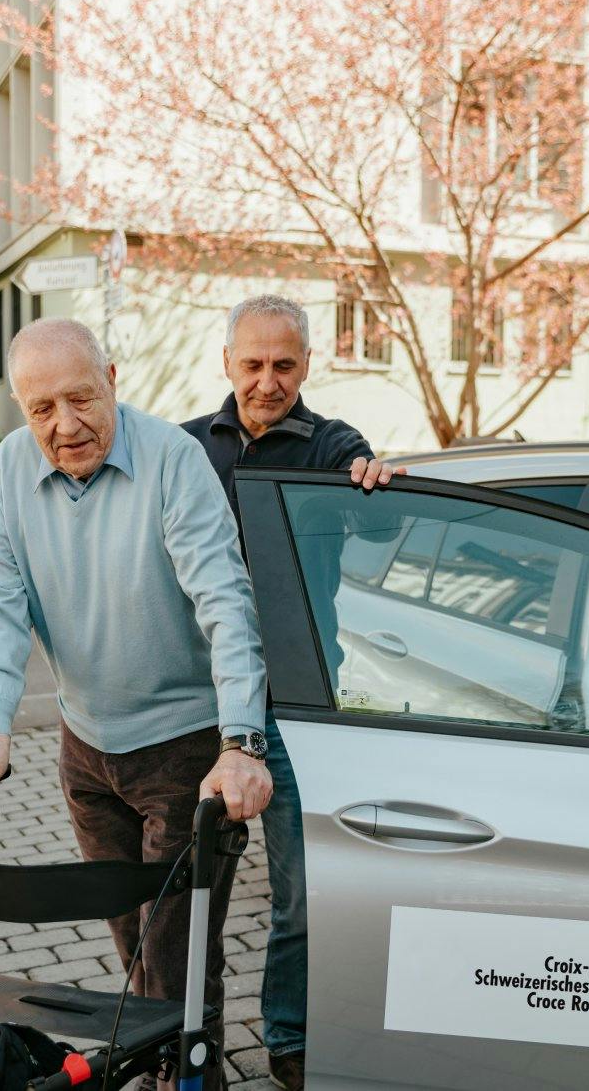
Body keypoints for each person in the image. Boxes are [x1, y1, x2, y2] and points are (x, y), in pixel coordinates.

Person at [0, 318, 271, 1090]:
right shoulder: (9, 469)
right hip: (86, 752)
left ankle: (190, 1077)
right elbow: (0, 606)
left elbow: (227, 602)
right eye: (42, 409)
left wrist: (241, 742)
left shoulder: (172, 459)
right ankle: (161, 1066)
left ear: (113, 380)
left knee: (176, 959)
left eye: (81, 398)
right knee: (136, 952)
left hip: (186, 753)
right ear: (22, 409)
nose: (65, 425)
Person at [181, 294, 403, 1091]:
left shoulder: (335, 447)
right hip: (196, 703)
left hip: (296, 702)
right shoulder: (186, 448)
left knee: (302, 892)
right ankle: (185, 1039)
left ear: (307, 364)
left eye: (283, 364)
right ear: (227, 362)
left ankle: (289, 1036)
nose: (267, 381)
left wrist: (374, 483)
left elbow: (380, 527)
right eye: (253, 364)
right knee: (187, 892)